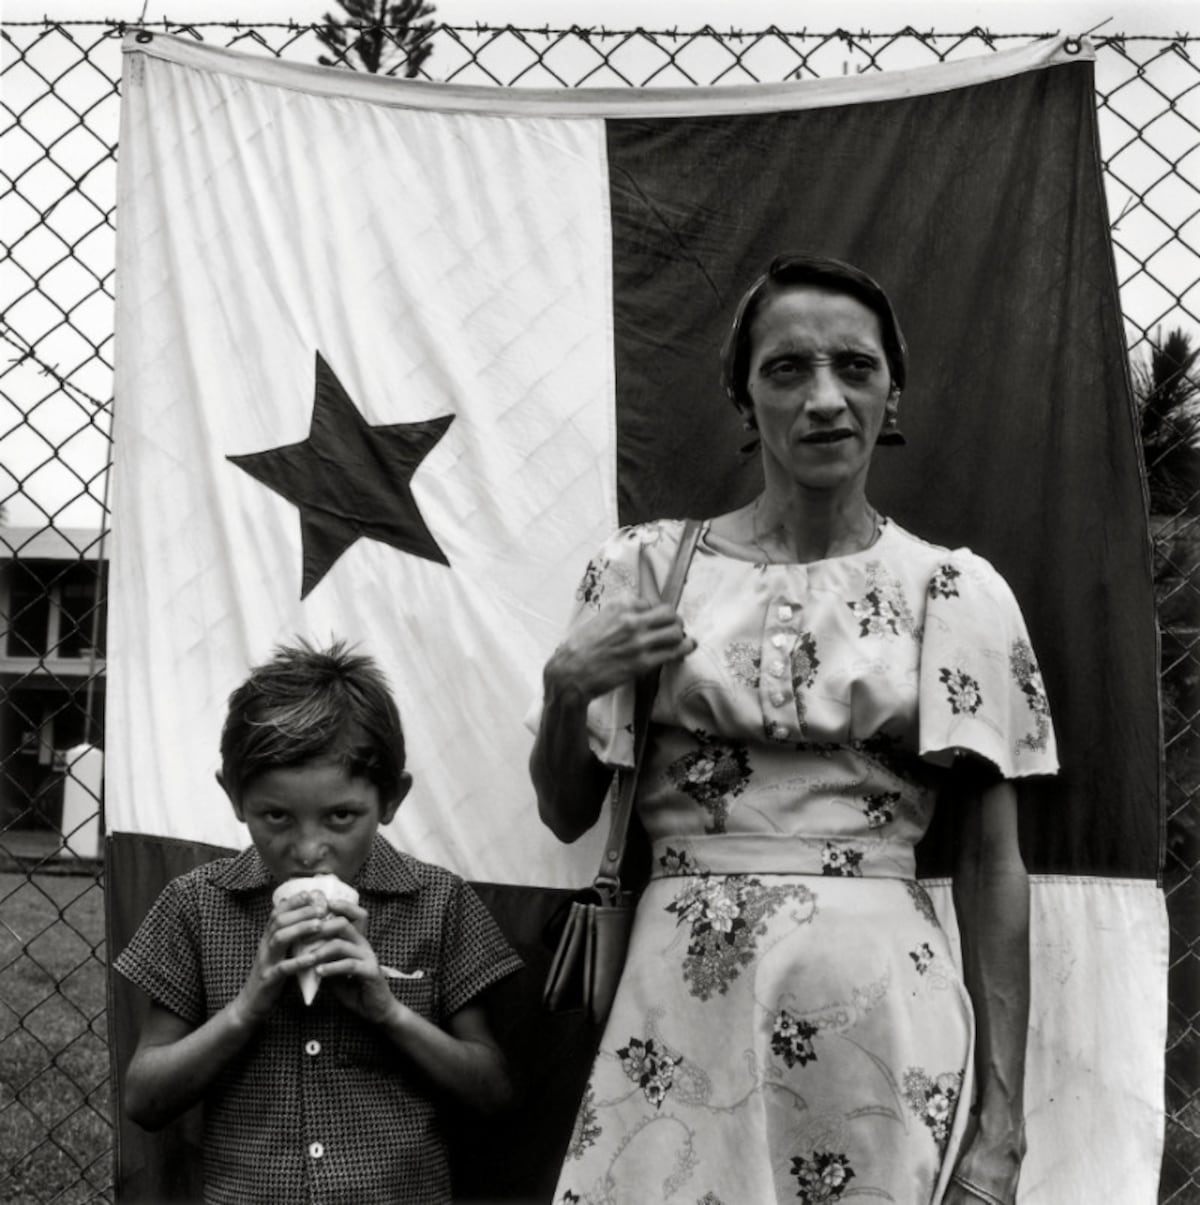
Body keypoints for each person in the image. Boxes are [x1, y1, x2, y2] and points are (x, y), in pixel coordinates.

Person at [530, 253, 1057, 1205]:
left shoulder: (950, 594)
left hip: (883, 1017)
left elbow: (991, 865)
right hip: (684, 1008)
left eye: (854, 368)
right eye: (787, 370)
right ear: (745, 399)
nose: (825, 398)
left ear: (891, 392)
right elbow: (569, 813)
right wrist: (566, 689)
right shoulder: (650, 573)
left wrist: (1004, 1127)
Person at [115, 639, 522, 1205]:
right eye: (276, 816)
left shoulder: (438, 903)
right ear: (233, 798)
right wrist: (248, 1005)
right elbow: (144, 1098)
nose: (309, 850)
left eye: (341, 817)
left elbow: (494, 1092)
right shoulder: (197, 905)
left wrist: (390, 1012)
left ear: (392, 800)